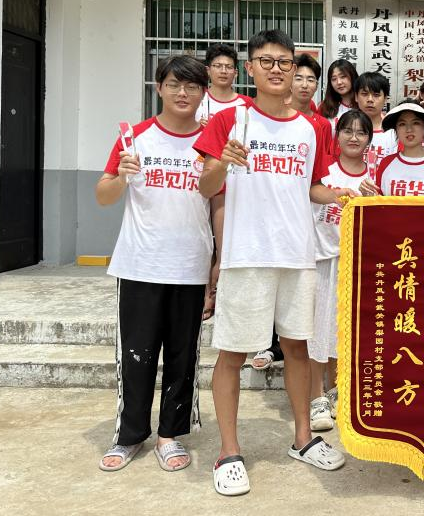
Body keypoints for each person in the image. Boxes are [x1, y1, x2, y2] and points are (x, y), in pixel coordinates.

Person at [196, 29, 357, 496]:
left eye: (285, 62)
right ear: (249, 68)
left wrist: (341, 195)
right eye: (265, 61)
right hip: (247, 255)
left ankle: (303, 439)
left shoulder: (312, 128)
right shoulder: (230, 119)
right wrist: (222, 163)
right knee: (233, 353)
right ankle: (229, 452)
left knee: (298, 349)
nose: (276, 69)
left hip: (296, 255)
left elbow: (311, 188)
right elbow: (206, 187)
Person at [96, 55, 217, 473]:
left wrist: (216, 263)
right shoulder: (136, 138)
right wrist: (121, 176)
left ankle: (170, 435)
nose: (183, 93)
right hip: (140, 265)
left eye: (192, 86)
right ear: (159, 87)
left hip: (190, 265)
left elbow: (218, 204)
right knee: (137, 355)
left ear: (203, 93)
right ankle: (129, 435)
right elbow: (103, 195)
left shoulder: (211, 141)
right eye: (174, 84)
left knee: (183, 357)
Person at [251, 53, 333, 371]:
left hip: (304, 219)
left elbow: (317, 178)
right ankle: (266, 343)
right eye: (300, 77)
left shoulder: (318, 126)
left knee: (296, 304)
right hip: (260, 225)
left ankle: (284, 348)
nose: (304, 84)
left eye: (311, 79)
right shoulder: (254, 118)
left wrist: (337, 196)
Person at [308, 109, 372, 432]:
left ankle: (335, 389)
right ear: (337, 136)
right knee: (318, 331)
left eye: (361, 132)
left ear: (369, 140)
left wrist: (375, 200)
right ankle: (315, 397)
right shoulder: (325, 172)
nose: (353, 137)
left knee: (342, 331)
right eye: (347, 131)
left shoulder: (373, 177)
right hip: (322, 260)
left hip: (357, 264)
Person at [362, 102, 424, 197]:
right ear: (396, 130)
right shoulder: (386, 163)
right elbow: (377, 201)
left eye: (416, 123)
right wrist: (367, 191)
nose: (409, 129)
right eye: (402, 124)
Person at [196, 43, 251, 125]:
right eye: (218, 66)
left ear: (235, 73)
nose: (223, 71)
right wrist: (196, 126)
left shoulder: (247, 103)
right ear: (208, 71)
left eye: (229, 67)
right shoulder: (196, 99)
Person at [355, 71, 399, 164]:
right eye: (364, 94)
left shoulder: (395, 131)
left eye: (376, 95)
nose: (370, 99)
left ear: (385, 98)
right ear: (356, 97)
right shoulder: (346, 128)